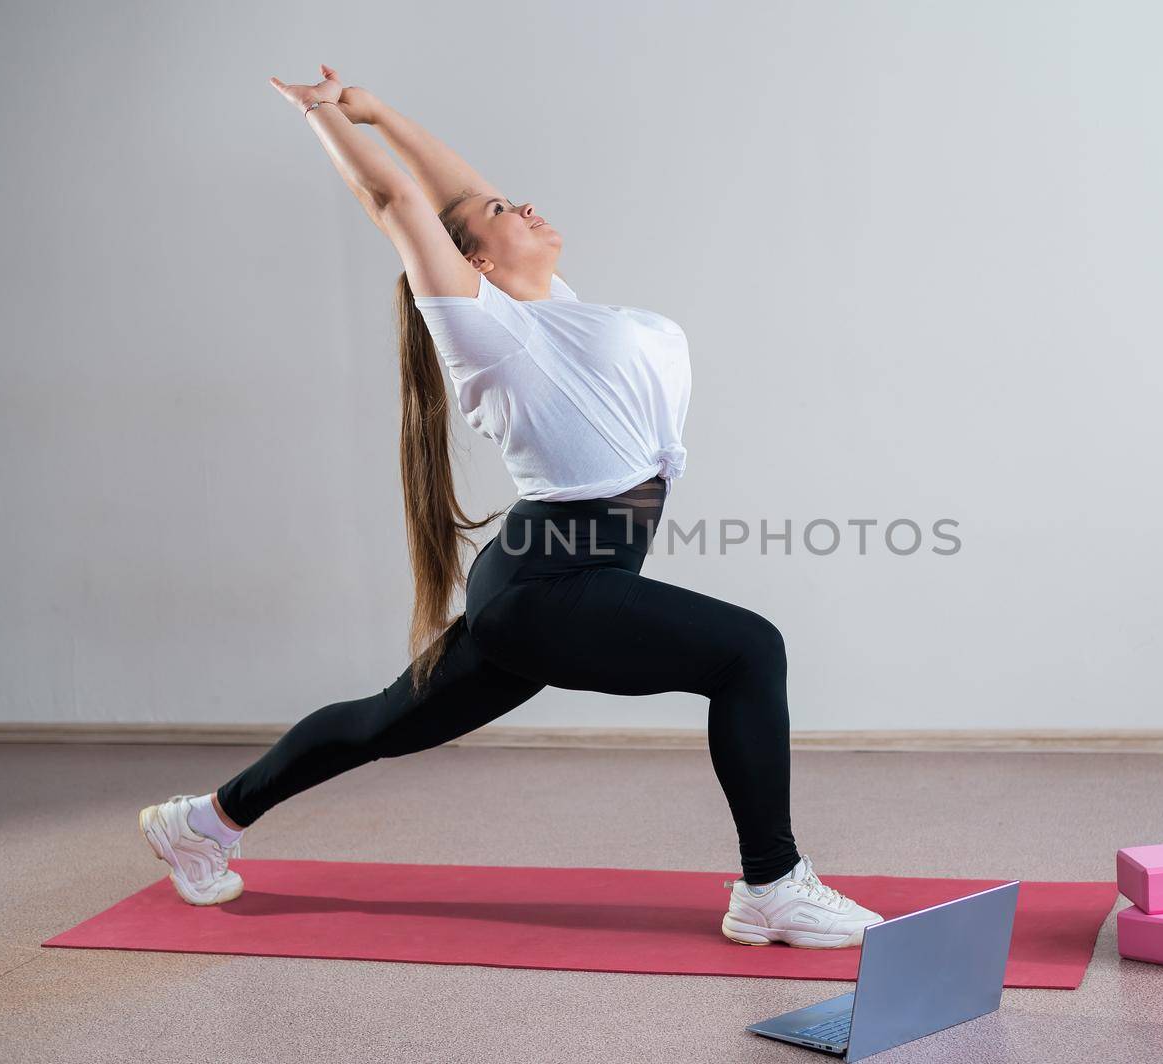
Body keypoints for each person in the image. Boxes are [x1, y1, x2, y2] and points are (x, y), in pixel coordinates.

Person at [138, 65, 883, 950]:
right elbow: (394, 199)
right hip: (551, 580)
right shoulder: (483, 330)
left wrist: (377, 108)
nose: (520, 206)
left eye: (514, 200)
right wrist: (322, 116)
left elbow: (461, 192)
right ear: (473, 265)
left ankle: (204, 823)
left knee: (384, 722)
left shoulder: (554, 308)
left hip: (553, 575)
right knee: (749, 650)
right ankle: (772, 885)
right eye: (501, 217)